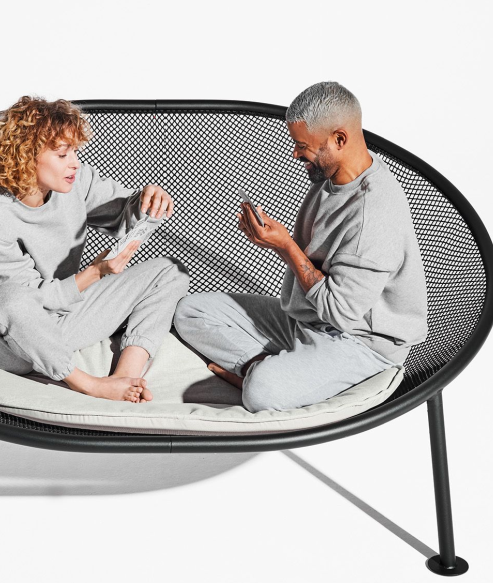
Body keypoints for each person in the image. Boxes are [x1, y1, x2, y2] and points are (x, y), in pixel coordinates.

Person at [173, 81, 427, 411]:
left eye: (302, 146)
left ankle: (263, 376)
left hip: (360, 341)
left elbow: (340, 311)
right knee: (190, 311)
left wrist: (286, 247)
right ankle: (261, 368)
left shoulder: (373, 214)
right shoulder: (335, 176)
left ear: (339, 139)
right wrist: (278, 243)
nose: (295, 154)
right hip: (308, 319)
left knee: (262, 393)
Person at [0, 95, 188, 403]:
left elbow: (124, 213)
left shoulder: (76, 182)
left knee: (169, 271)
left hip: (64, 318)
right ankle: (89, 385)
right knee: (9, 299)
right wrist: (94, 273)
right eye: (62, 154)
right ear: (25, 156)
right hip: (5, 341)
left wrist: (146, 201)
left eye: (74, 150)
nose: (74, 162)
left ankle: (126, 375)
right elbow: (17, 305)